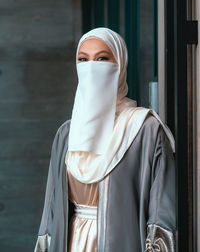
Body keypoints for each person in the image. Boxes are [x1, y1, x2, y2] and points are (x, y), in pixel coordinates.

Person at [34, 27, 176, 252]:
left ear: (119, 64)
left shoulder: (146, 130)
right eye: (83, 59)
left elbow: (161, 220)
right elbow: (50, 218)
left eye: (102, 59)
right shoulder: (66, 134)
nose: (91, 68)